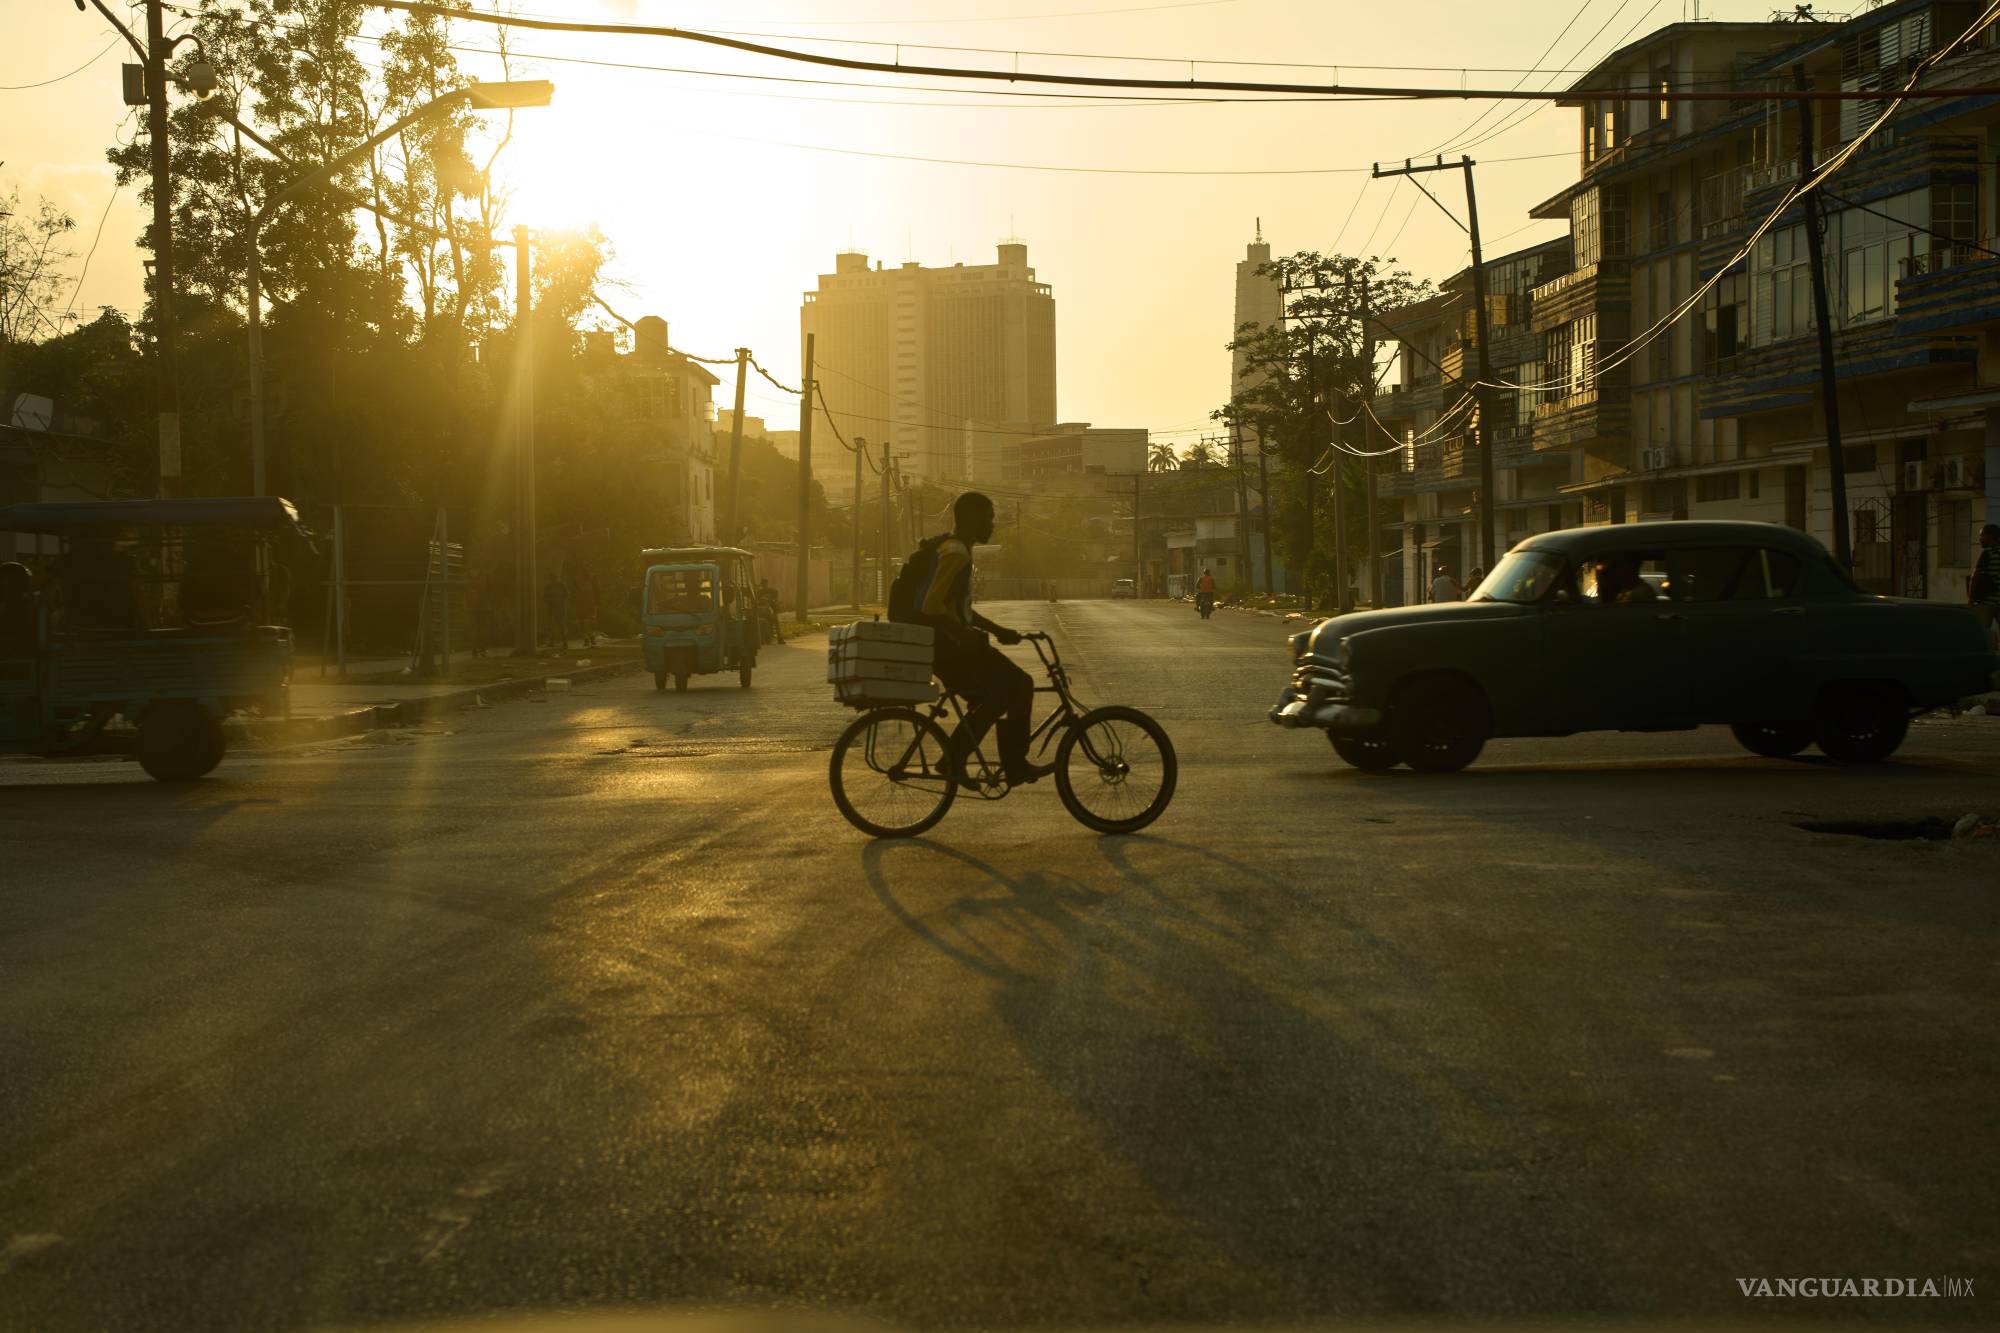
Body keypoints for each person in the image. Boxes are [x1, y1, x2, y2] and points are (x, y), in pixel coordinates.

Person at [918, 492, 1054, 787]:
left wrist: (997, 630)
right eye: (988, 517)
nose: (992, 524)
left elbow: (960, 609)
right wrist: (964, 635)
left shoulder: (959, 549)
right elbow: (931, 606)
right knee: (1019, 685)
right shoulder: (956, 553)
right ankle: (1011, 764)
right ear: (971, 519)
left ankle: (956, 758)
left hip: (950, 647)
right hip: (949, 650)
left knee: (1000, 695)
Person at [1970, 522, 2000, 645]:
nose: (1980, 539)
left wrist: (1971, 598)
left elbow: (1975, 576)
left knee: (1981, 632)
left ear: (1991, 536)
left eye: (1982, 535)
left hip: (1986, 602)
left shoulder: (1988, 553)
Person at [541, 571, 570, 651]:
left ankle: (563, 642)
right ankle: (554, 641)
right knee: (553, 625)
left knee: (559, 625)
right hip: (552, 608)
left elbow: (566, 595)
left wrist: (557, 601)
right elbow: (544, 597)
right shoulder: (550, 586)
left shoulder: (560, 585)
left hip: (559, 608)